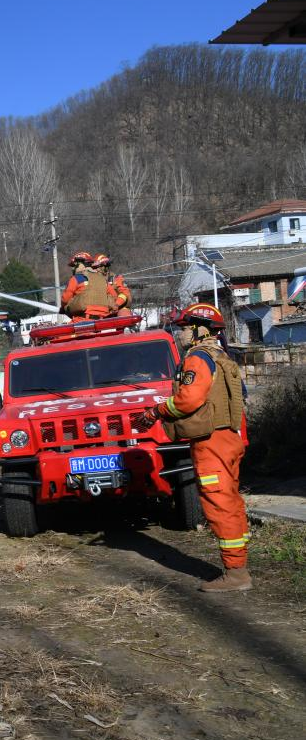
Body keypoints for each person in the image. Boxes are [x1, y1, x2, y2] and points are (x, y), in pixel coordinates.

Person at [131, 304, 251, 592]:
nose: (180, 333)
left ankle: (236, 574)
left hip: (211, 443)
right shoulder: (221, 356)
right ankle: (239, 565)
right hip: (228, 438)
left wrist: (157, 411)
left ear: (200, 329)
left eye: (185, 328)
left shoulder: (198, 358)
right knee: (231, 502)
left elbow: (188, 399)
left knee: (219, 504)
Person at [61, 251, 117, 319]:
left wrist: (66, 307)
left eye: (75, 265)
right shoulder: (103, 279)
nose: (73, 269)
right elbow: (114, 296)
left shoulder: (76, 278)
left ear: (82, 264)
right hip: (103, 319)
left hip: (84, 319)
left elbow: (65, 299)